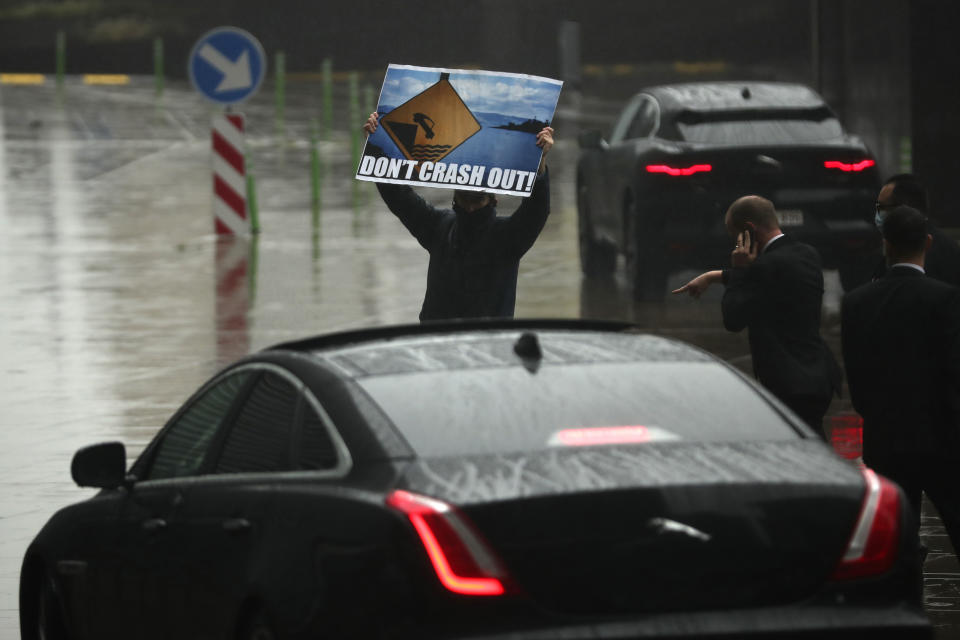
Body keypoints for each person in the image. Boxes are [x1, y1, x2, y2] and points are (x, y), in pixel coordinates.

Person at [841, 204, 960, 561]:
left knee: (894, 542)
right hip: (943, 439)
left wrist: (877, 415)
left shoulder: (857, 302)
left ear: (886, 245)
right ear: (927, 242)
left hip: (886, 438)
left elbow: (856, 376)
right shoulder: (946, 299)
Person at [362, 112, 553, 322]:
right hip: (437, 342)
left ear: (492, 201)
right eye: (465, 201)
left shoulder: (507, 237)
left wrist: (539, 161)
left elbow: (537, 210)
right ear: (455, 198)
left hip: (487, 345)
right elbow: (399, 197)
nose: (470, 209)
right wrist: (377, 143)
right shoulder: (439, 228)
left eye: (476, 202)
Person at [673, 196, 841, 432]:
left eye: (736, 238)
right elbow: (774, 276)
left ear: (749, 231)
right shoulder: (807, 254)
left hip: (788, 382)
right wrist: (714, 276)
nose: (736, 246)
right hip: (818, 376)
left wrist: (740, 270)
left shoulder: (763, 269)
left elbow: (733, 319)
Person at [872, 173, 960, 286]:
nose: (878, 216)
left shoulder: (923, 252)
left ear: (904, 208)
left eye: (882, 208)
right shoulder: (903, 242)